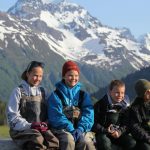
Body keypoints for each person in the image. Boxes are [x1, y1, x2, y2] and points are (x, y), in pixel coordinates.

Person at [7, 61, 59, 150]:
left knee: (53, 141)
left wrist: (46, 123)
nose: (37, 79)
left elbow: (52, 110)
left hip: (39, 129)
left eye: (40, 76)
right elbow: (13, 118)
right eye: (35, 75)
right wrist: (31, 125)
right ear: (28, 74)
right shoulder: (18, 91)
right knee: (37, 139)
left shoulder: (43, 92)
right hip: (21, 130)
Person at [47, 60, 96, 150]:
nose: (73, 78)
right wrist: (71, 129)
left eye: (76, 76)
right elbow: (56, 116)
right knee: (68, 140)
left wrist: (80, 129)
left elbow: (89, 114)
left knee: (86, 142)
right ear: (63, 76)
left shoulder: (83, 95)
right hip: (62, 129)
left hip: (81, 129)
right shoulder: (56, 95)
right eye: (70, 75)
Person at [92, 80, 136, 150]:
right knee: (105, 143)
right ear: (110, 92)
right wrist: (105, 130)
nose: (120, 95)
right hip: (103, 133)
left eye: (122, 93)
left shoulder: (125, 106)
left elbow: (127, 123)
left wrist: (120, 131)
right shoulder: (100, 105)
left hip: (118, 133)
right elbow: (93, 123)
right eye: (117, 93)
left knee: (131, 142)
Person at [129, 79, 150, 150]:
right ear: (142, 94)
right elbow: (135, 128)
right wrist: (148, 138)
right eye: (147, 92)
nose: (149, 92)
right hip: (143, 138)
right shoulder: (135, 108)